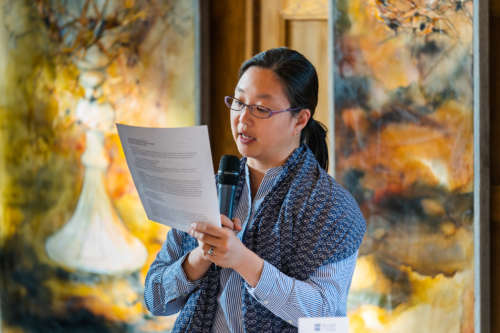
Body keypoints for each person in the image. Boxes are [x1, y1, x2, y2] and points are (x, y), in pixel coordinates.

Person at [144, 47, 366, 333]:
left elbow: (323, 313)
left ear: (300, 120)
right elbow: (154, 299)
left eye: (261, 109)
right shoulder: (206, 189)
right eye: (238, 102)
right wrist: (199, 258)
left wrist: (242, 261)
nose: (242, 119)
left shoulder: (332, 207)